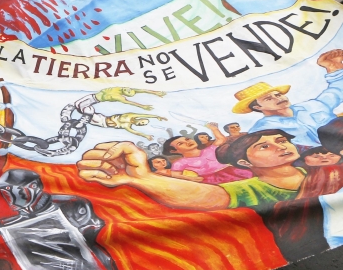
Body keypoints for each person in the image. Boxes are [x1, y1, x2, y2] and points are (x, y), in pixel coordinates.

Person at [76, 130, 307, 210]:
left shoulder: (320, 172)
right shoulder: (251, 189)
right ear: (245, 163)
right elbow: (210, 195)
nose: (281, 146)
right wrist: (142, 178)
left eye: (282, 140)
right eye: (265, 146)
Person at [233, 51, 343, 147]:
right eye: (268, 98)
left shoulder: (312, 106)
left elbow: (337, 91)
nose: (278, 98)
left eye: (278, 94)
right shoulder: (262, 130)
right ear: (258, 107)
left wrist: (332, 67)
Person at [161, 134, 253, 184]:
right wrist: (191, 179)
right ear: (174, 151)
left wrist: (213, 128)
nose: (187, 142)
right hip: (209, 180)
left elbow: (221, 139)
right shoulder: (180, 163)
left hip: (233, 172)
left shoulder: (211, 149)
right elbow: (175, 176)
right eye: (180, 144)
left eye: (187, 139)